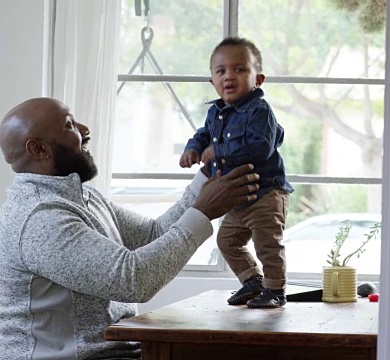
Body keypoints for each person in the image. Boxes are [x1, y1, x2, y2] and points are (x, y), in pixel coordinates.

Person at [0, 97, 260, 359]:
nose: (85, 128)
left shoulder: (82, 196)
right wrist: (203, 211)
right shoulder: (39, 219)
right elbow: (133, 280)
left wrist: (206, 178)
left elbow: (152, 235)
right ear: (38, 149)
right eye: (69, 125)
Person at [179, 37, 294, 308]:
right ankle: (252, 281)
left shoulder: (259, 110)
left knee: (268, 243)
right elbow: (203, 134)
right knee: (226, 240)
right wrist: (192, 148)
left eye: (240, 69)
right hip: (237, 197)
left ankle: (275, 289)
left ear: (259, 79)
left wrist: (220, 152)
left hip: (265, 192)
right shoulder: (215, 112)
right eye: (221, 71)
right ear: (212, 81)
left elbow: (261, 147)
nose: (229, 76)